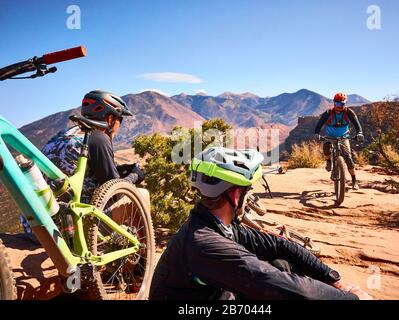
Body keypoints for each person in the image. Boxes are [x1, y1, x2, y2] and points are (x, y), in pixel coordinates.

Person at [150, 147, 372, 300]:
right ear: (236, 196)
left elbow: (280, 245)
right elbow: (282, 285)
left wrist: (335, 281)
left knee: (282, 263)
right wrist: (351, 297)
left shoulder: (218, 224)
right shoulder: (205, 243)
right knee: (284, 287)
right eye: (248, 191)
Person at [20, 90, 144, 242]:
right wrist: (135, 176)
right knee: (141, 195)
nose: (119, 125)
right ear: (110, 118)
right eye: (120, 119)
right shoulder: (98, 137)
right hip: (65, 232)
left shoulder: (62, 134)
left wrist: (118, 169)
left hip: (33, 228)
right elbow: (114, 191)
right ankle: (140, 263)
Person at [314, 92, 364, 190]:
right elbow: (319, 124)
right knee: (326, 148)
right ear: (334, 103)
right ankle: (328, 161)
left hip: (344, 137)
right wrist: (317, 133)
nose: (339, 106)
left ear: (345, 104)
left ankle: (354, 181)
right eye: (337, 104)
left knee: (348, 158)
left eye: (342, 104)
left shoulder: (349, 112)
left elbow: (357, 124)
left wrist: (360, 133)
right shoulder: (328, 113)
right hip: (330, 136)